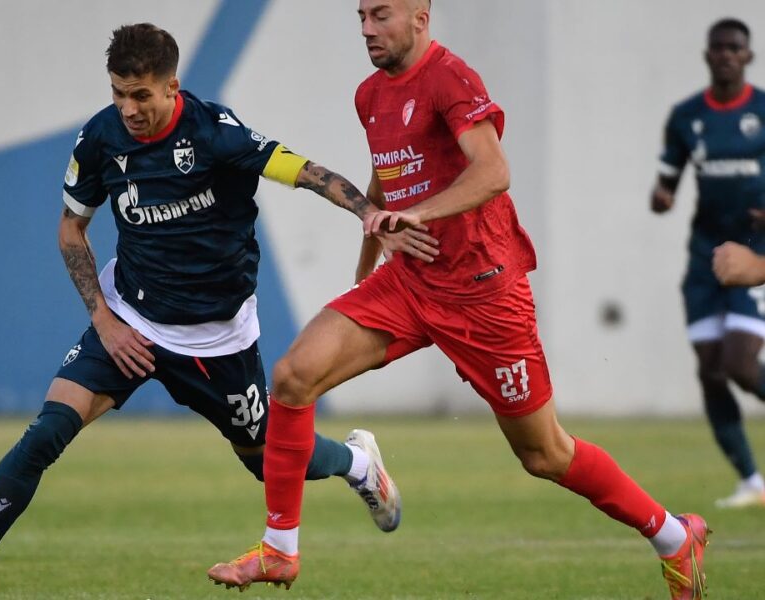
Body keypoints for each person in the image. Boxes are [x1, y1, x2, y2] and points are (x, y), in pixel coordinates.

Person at [208, 2, 708, 598]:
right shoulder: (370, 94)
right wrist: (368, 258)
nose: (366, 29)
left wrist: (416, 214)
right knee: (294, 376)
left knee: (545, 454)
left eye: (381, 15)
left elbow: (493, 171)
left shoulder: (451, 78)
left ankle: (673, 536)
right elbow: (386, 176)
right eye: (361, 15)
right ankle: (279, 551)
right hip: (409, 282)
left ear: (421, 16)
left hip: (483, 293)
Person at [0, 22, 438, 600]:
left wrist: (367, 214)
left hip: (217, 341)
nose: (128, 109)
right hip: (130, 322)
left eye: (141, 95)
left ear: (171, 86)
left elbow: (306, 173)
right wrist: (103, 319)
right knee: (45, 434)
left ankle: (357, 463)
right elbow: (71, 228)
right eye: (118, 93)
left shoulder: (215, 133)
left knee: (266, 460)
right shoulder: (100, 138)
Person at [651, 17, 765, 510]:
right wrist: (661, 198)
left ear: (748, 56)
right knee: (711, 372)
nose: (725, 55)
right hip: (704, 261)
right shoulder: (686, 116)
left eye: (734, 48)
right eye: (718, 47)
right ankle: (752, 482)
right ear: (706, 55)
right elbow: (666, 185)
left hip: (753, 258)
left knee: (740, 365)